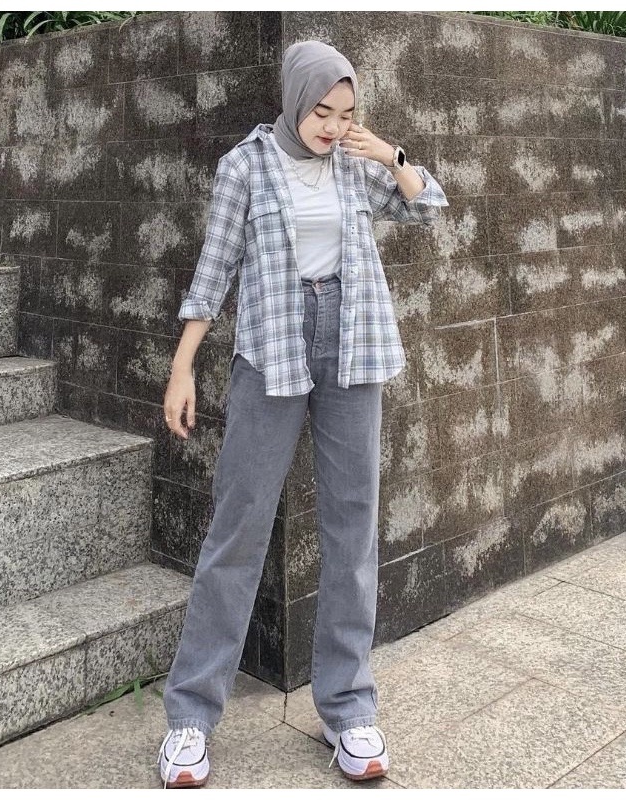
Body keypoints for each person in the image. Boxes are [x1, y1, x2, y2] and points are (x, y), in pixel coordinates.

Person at [156, 40, 448, 789]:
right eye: (322, 111)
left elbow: (427, 207)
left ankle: (348, 710)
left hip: (355, 344)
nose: (333, 125)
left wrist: (388, 152)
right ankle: (190, 717)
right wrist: (183, 367)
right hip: (272, 351)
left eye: (345, 113)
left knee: (352, 526)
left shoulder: (354, 160)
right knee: (238, 526)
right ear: (293, 100)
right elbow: (214, 269)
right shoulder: (246, 166)